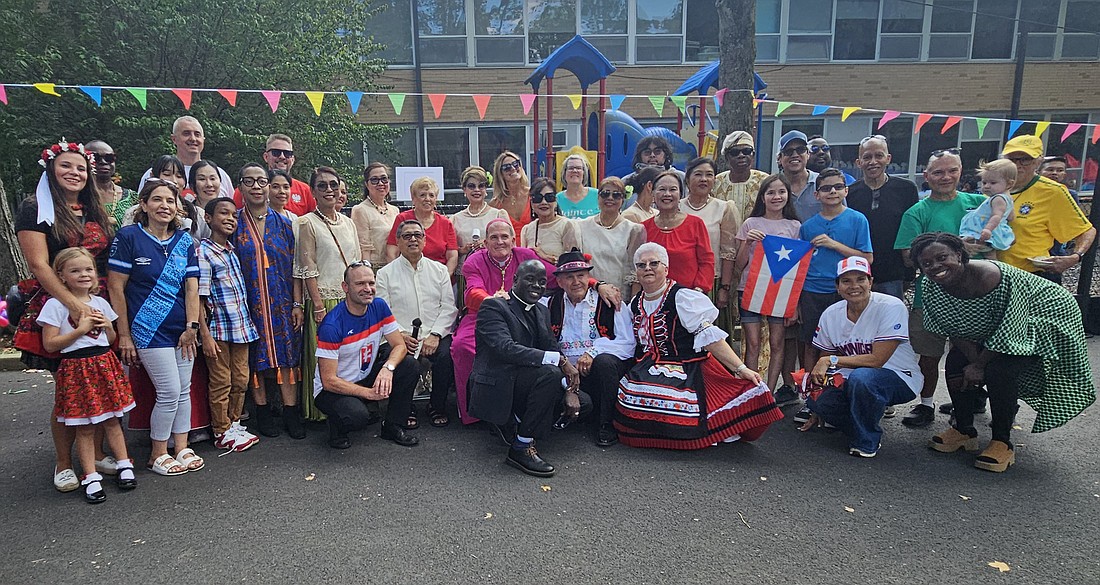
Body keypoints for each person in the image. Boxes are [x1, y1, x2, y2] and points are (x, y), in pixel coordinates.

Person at [913, 233, 1095, 472]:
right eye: (926, 264)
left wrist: (979, 365)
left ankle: (1002, 441)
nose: (935, 266)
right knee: (957, 361)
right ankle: (964, 430)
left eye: (942, 257)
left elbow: (1011, 330)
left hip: (1042, 316)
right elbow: (948, 325)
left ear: (958, 254)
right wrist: (972, 361)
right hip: (990, 323)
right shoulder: (931, 285)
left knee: (1000, 370)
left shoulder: (995, 277)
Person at [16, 139, 115, 492]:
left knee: (103, 379)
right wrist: (74, 306)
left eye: (80, 168)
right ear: (51, 169)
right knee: (70, 389)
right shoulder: (35, 208)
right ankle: (63, 462)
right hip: (59, 304)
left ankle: (99, 452)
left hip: (99, 300)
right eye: (66, 166)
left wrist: (100, 307)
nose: (74, 173)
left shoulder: (93, 208)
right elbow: (38, 264)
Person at [615, 243, 783, 449]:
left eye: (654, 263)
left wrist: (741, 368)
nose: (647, 268)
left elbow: (710, 338)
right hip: (648, 366)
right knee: (633, 391)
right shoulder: (635, 302)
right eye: (641, 265)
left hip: (688, 366)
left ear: (666, 269)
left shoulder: (682, 297)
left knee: (673, 398)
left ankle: (698, 432)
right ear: (637, 272)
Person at [107, 179, 203, 477]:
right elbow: (116, 288)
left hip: (182, 328)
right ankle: (157, 452)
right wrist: (123, 334)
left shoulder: (184, 241)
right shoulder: (128, 238)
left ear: (178, 207)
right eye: (157, 200)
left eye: (170, 201)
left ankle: (182, 445)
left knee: (183, 390)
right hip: (148, 328)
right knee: (169, 390)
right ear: (144, 205)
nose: (164, 206)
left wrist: (192, 326)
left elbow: (192, 288)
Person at [893, 150, 989, 426]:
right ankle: (925, 404)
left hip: (977, 295)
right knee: (929, 353)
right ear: (927, 177)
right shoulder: (917, 212)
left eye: (951, 170)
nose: (945, 177)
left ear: (961, 171)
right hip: (932, 296)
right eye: (938, 172)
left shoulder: (981, 204)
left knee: (972, 352)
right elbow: (907, 255)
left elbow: (1002, 240)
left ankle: (970, 403)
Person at [38, 248, 136, 503]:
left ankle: (125, 464)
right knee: (83, 426)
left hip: (104, 364)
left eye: (88, 269)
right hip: (76, 369)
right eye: (75, 270)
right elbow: (50, 344)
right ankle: (90, 477)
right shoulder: (55, 305)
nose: (83, 275)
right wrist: (80, 330)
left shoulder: (101, 302)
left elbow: (111, 339)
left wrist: (107, 327)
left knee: (113, 420)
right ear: (61, 276)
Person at [798, 257, 923, 458]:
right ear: (837, 287)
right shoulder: (831, 314)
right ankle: (863, 418)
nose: (854, 286)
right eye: (846, 281)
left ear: (870, 282)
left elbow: (877, 361)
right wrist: (818, 399)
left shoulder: (890, 306)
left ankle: (866, 440)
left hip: (898, 377)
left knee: (863, 378)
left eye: (860, 279)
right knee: (817, 401)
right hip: (853, 379)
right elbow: (824, 363)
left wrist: (831, 360)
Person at [468, 260, 579, 476]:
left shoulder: (541, 310)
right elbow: (505, 348)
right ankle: (520, 445)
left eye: (541, 282)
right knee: (550, 373)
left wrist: (570, 389)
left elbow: (551, 345)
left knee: (584, 404)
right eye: (530, 279)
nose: (537, 286)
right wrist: (561, 362)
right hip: (498, 383)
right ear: (515, 280)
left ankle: (519, 420)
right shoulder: (493, 306)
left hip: (525, 379)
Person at [451, 219, 556, 425]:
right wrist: (491, 300)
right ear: (486, 242)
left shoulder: (525, 256)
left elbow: (555, 277)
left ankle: (515, 407)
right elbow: (472, 292)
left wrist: (593, 284)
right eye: (494, 237)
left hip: (520, 317)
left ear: (513, 240)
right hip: (481, 315)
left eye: (504, 237)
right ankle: (474, 411)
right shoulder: (474, 260)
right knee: (461, 346)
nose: (500, 242)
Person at [793, 168, 873, 424]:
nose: (832, 192)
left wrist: (834, 245)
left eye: (838, 187)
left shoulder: (857, 219)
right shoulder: (807, 226)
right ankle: (811, 398)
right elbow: (800, 265)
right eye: (826, 188)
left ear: (845, 190)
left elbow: (868, 259)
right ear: (817, 194)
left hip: (845, 292)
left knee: (844, 345)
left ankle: (839, 394)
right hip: (812, 291)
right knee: (811, 345)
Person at [314, 262, 419, 450]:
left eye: (371, 283)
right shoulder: (332, 325)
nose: (368, 289)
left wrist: (388, 369)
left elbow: (399, 346)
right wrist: (369, 394)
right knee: (356, 417)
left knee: (409, 364)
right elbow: (329, 381)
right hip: (333, 388)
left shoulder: (378, 306)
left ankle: (393, 425)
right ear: (345, 287)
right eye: (360, 284)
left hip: (364, 376)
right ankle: (337, 426)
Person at [234, 163, 304, 437]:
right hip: (249, 302)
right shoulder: (234, 223)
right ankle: (262, 412)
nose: (256, 187)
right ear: (240, 186)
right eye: (249, 181)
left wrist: (297, 304)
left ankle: (291, 412)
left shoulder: (286, 223)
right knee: (255, 358)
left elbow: (297, 268)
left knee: (287, 356)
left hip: (282, 300)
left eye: (261, 181)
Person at [542, 250, 635, 447]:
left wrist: (592, 352)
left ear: (589, 277)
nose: (576, 281)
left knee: (605, 362)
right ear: (559, 282)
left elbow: (628, 343)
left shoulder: (610, 301)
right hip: (564, 372)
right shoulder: (548, 304)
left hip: (598, 373)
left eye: (581, 276)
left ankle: (606, 423)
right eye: (569, 277)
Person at [376, 219, 460, 428]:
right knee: (405, 362)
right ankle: (407, 407)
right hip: (399, 336)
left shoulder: (439, 270)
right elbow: (382, 312)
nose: (413, 239)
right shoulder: (385, 274)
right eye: (407, 236)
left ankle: (437, 405)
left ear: (424, 240)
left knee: (447, 354)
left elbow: (449, 307)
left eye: (417, 235)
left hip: (434, 334)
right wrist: (400, 336)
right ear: (398, 241)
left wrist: (436, 335)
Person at [297, 166, 361, 425]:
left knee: (350, 357)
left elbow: (357, 262)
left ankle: (350, 405)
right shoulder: (306, 223)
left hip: (348, 298)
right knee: (325, 357)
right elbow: (307, 268)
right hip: (324, 298)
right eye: (322, 185)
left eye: (333, 185)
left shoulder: (348, 222)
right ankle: (321, 409)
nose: (329, 190)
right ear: (313, 191)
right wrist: (318, 305)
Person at [198, 197, 261, 452]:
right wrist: (205, 334)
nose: (230, 219)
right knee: (221, 381)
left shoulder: (232, 252)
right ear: (208, 218)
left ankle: (234, 422)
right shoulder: (203, 252)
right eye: (223, 213)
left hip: (241, 328)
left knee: (241, 379)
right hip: (219, 330)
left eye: (234, 215)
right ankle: (220, 429)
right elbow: (199, 298)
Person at [733, 174, 801, 402]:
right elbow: (739, 264)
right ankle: (753, 392)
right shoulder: (750, 224)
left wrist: (795, 304)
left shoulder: (795, 226)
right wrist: (747, 242)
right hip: (750, 288)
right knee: (752, 343)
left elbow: (797, 269)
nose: (776, 196)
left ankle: (769, 393)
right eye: (771, 192)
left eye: (781, 192)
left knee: (777, 342)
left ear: (788, 196)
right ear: (762, 197)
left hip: (780, 293)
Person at [999, 135, 1095, 278]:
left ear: (1038, 162)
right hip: (993, 274)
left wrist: (1074, 257)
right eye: (1012, 159)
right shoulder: (993, 186)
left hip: (1032, 275)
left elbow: (1086, 231)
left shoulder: (1053, 191)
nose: (1018, 165)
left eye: (1025, 160)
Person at [845, 135, 919, 300]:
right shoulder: (850, 194)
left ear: (888, 158)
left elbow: (912, 230)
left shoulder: (906, 189)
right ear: (859, 162)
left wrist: (909, 270)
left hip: (894, 274)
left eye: (878, 155)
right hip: (859, 274)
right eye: (867, 157)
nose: (873, 161)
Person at [680, 157, 740, 318]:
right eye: (698, 174)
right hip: (680, 281)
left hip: (711, 282)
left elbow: (728, 252)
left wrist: (724, 287)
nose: (704, 179)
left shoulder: (724, 208)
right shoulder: (676, 208)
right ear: (687, 179)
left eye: (709, 175)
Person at [641, 170, 714, 292]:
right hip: (653, 297)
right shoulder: (643, 228)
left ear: (681, 194)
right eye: (662, 189)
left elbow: (707, 261)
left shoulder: (695, 224)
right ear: (653, 193)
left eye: (673, 189)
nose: (667, 194)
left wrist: (698, 290)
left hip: (689, 296)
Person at [574, 176, 646, 295]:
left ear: (623, 199)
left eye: (616, 195)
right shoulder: (580, 226)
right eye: (605, 194)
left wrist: (632, 305)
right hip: (588, 294)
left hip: (619, 297)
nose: (610, 198)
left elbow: (635, 273)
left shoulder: (634, 230)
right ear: (598, 197)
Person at [451, 166, 509, 310]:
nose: (476, 190)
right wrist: (463, 249)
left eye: (481, 186)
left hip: (493, 272)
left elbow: (510, 245)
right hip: (466, 275)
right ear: (464, 190)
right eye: (471, 186)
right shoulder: (455, 219)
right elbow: (451, 251)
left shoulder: (498, 214)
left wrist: (489, 246)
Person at [137, 116, 233, 197]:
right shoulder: (155, 172)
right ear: (174, 139)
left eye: (197, 134)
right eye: (186, 133)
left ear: (203, 139)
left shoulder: (219, 174)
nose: (193, 139)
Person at [385, 177, 458, 275]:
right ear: (413, 198)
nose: (427, 199)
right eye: (422, 195)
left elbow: (452, 256)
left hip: (438, 277)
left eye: (431, 195)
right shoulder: (402, 219)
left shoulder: (445, 223)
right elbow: (392, 252)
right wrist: (397, 275)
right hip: (407, 275)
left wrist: (445, 278)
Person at [231, 133, 315, 214]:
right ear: (266, 157)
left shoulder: (305, 190)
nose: (282, 157)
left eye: (287, 154)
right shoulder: (246, 189)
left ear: (292, 159)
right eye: (276, 152)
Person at [959, 159, 1017, 255]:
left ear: (1009, 184)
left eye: (993, 183)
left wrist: (988, 229)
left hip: (986, 229)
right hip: (992, 228)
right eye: (984, 182)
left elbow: (996, 216)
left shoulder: (998, 199)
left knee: (987, 252)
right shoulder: (1008, 198)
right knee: (988, 252)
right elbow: (1011, 217)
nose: (987, 186)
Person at [351, 162, 401, 269]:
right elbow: (363, 248)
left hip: (395, 267)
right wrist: (367, 275)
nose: (380, 183)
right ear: (366, 184)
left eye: (384, 179)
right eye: (374, 180)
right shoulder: (360, 210)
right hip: (374, 269)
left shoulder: (395, 210)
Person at [521, 176, 579, 265]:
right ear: (532, 204)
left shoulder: (567, 225)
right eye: (538, 198)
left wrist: (545, 257)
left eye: (549, 197)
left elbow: (573, 263)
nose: (544, 202)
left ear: (555, 201)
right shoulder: (527, 229)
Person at [712, 131, 769, 221]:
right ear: (727, 157)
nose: (741, 155)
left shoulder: (765, 181)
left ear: (753, 155)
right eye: (735, 152)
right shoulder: (716, 182)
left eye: (746, 151)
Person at [84, 140, 137, 229]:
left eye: (109, 158)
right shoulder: (76, 196)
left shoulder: (132, 198)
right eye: (96, 158)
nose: (103, 162)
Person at [776, 131, 821, 221]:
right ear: (779, 158)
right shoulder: (772, 187)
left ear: (808, 154)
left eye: (800, 150)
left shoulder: (822, 182)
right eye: (788, 151)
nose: (795, 155)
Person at [489, 151, 533, 234]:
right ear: (500, 174)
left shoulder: (533, 195)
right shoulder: (494, 204)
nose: (513, 168)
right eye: (507, 167)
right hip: (507, 246)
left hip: (532, 245)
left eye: (516, 164)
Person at [556, 154, 599, 219]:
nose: (575, 171)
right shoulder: (557, 199)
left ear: (584, 173)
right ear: (564, 173)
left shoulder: (598, 195)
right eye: (571, 168)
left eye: (578, 168)